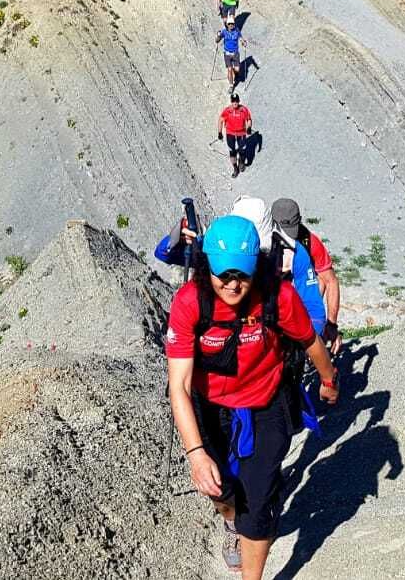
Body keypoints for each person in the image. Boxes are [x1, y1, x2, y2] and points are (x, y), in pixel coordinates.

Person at [165, 215, 338, 577]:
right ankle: (231, 519)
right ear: (206, 265)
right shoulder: (189, 304)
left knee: (256, 504)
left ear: (255, 267)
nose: (232, 284)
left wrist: (327, 378)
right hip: (209, 406)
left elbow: (309, 340)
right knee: (219, 490)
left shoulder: (278, 296)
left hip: (266, 403)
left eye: (242, 274)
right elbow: (178, 386)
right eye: (223, 274)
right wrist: (196, 454)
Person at [267, 198, 342, 354]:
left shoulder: (309, 242)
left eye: (292, 230)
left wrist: (331, 325)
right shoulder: (261, 242)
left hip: (302, 302)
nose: (290, 237)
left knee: (320, 279)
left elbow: (331, 281)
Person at [217, 92, 251, 176]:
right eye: (233, 101)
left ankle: (241, 162)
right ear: (231, 102)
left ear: (239, 101)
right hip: (230, 133)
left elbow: (249, 119)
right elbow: (220, 120)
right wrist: (220, 132)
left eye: (236, 101)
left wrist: (249, 128)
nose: (234, 103)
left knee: (242, 149)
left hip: (241, 133)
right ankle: (235, 168)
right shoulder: (228, 110)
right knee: (232, 151)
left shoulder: (243, 110)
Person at [217, 17, 245, 91]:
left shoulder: (237, 31)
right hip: (227, 54)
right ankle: (231, 86)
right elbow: (217, 40)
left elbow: (241, 38)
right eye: (229, 24)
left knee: (237, 70)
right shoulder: (224, 31)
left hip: (235, 53)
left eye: (232, 24)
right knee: (229, 69)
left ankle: (235, 73)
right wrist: (218, 36)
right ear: (227, 24)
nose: (231, 25)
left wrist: (243, 42)